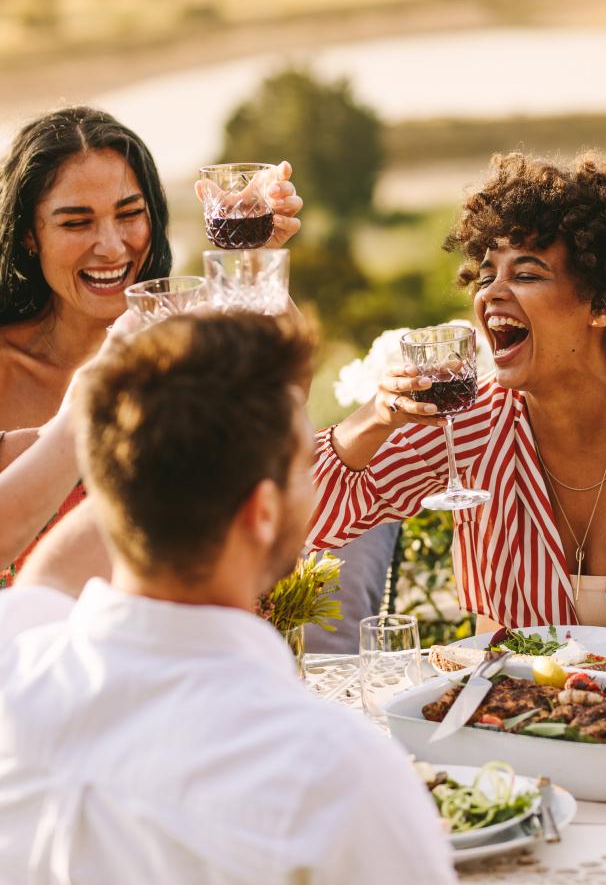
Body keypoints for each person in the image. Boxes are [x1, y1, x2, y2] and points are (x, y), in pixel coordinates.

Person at [0, 312, 455, 885]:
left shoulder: (14, 664)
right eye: (304, 465)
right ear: (262, 513)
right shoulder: (337, 775)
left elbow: (48, 581)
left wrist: (141, 452)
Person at [310, 153, 606, 632]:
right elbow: (308, 516)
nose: (492, 293)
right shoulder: (473, 424)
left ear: (603, 306)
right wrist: (376, 418)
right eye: (487, 277)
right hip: (504, 705)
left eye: (526, 275)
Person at [0, 105, 302, 579]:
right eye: (76, 223)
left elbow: (290, 398)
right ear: (27, 236)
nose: (112, 246)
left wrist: (249, 262)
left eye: (129, 214)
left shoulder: (185, 339)